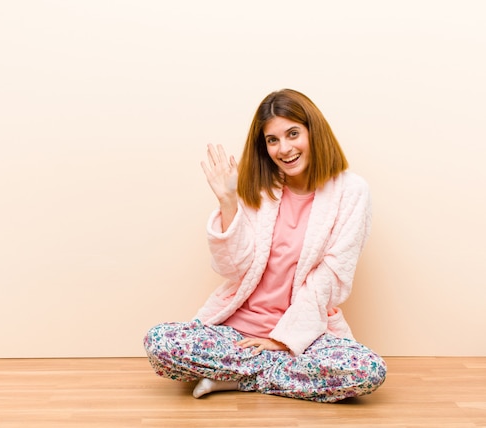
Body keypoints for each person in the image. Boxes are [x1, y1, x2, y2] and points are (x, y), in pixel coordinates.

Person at [143, 89, 387, 402]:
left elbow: (333, 277)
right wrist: (228, 200)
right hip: (236, 333)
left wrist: (283, 340)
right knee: (160, 342)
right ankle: (267, 374)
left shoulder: (351, 191)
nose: (284, 149)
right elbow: (232, 269)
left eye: (293, 134)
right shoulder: (257, 188)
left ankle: (233, 377)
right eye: (272, 140)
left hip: (305, 333)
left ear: (314, 132)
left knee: (367, 371)